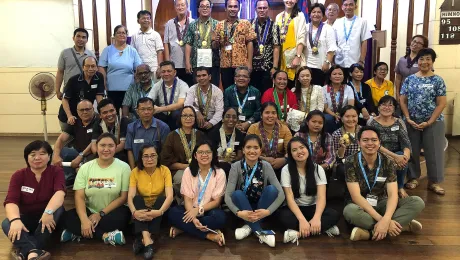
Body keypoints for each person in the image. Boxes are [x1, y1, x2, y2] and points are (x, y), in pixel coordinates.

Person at [343, 126, 425, 241]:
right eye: (365, 140)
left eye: (374, 140)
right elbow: (356, 196)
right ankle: (401, 226)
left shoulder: (388, 161)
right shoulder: (350, 161)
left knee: (417, 202)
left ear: (379, 142)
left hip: (381, 202)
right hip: (360, 205)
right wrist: (384, 220)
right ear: (359, 142)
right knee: (349, 211)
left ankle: (369, 234)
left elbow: (392, 194)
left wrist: (386, 219)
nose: (370, 143)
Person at [61, 133, 132, 246]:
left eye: (110, 145)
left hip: (111, 212)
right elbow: (79, 196)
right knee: (66, 217)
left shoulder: (124, 167)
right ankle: (106, 236)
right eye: (102, 145)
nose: (106, 149)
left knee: (122, 219)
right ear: (96, 147)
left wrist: (100, 214)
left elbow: (123, 198)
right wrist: (84, 220)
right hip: (90, 210)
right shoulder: (85, 168)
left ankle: (78, 232)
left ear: (116, 147)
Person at [3, 141, 65, 260]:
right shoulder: (19, 175)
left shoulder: (56, 172)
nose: (37, 157)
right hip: (27, 217)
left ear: (49, 156)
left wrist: (48, 212)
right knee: (7, 223)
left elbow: (60, 193)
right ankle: (34, 252)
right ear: (27, 158)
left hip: (49, 218)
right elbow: (11, 201)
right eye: (32, 154)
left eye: (42, 153)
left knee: (58, 210)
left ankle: (24, 250)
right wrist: (15, 220)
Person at [400, 48, 447, 195]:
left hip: (434, 122)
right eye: (421, 59)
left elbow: (441, 103)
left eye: (428, 59)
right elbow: (403, 100)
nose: (424, 62)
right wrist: (407, 118)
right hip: (412, 122)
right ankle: (413, 178)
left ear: (432, 61)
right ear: (417, 61)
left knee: (434, 152)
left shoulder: (438, 80)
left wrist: (430, 121)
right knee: (412, 151)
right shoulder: (409, 79)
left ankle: (434, 182)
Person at [225, 135, 285, 247]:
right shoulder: (235, 166)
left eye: (256, 148)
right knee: (236, 194)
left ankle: (248, 226)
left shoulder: (266, 166)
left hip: (262, 206)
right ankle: (260, 232)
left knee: (272, 190)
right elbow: (227, 195)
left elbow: (281, 193)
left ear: (260, 150)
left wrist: (268, 212)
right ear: (243, 150)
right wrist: (239, 212)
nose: (252, 151)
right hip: (243, 206)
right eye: (248, 147)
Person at [279, 137, 340, 245]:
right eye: (294, 150)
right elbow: (289, 198)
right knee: (282, 216)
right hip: (296, 209)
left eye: (302, 147)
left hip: (313, 208)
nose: (299, 151)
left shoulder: (318, 169)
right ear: (290, 154)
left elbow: (321, 197)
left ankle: (297, 233)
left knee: (333, 214)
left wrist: (316, 218)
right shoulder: (286, 169)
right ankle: (320, 229)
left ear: (308, 149)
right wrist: (302, 220)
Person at [168, 140, 227, 246]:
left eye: (208, 152)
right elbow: (187, 199)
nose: (204, 155)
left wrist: (198, 210)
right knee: (173, 213)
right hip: (190, 209)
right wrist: (193, 217)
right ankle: (209, 235)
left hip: (209, 210)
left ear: (213, 155)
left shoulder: (220, 173)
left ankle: (183, 229)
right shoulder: (188, 171)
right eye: (200, 152)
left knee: (221, 218)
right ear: (195, 155)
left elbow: (217, 202)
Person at [128, 144, 173, 260]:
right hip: (141, 207)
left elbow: (170, 196)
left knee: (161, 199)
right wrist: (134, 212)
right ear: (141, 158)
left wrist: (160, 212)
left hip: (158, 207)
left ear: (158, 157)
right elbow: (130, 196)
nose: (149, 159)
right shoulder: (135, 172)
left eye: (153, 155)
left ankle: (141, 238)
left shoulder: (164, 170)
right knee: (136, 199)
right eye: (146, 156)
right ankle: (148, 240)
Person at [161, 106, 208, 202]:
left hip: (200, 168)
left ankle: (201, 203)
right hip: (179, 170)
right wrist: (187, 166)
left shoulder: (200, 135)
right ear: (180, 118)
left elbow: (207, 154)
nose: (188, 118)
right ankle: (185, 203)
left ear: (195, 118)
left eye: (191, 115)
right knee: (183, 179)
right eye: (185, 115)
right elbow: (165, 161)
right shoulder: (172, 136)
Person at [368, 96, 411, 198]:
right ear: (378, 107)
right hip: (378, 153)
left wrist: (405, 156)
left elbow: (406, 142)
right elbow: (375, 144)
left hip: (397, 153)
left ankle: (400, 187)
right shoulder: (372, 122)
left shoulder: (399, 122)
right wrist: (395, 157)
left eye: (390, 105)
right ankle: (383, 189)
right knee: (396, 157)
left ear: (394, 108)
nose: (386, 108)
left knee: (402, 157)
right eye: (383, 105)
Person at [52, 99, 98, 186]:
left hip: (92, 155)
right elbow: (61, 139)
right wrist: (56, 155)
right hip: (77, 152)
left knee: (87, 175)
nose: (84, 112)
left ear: (93, 109)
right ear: (77, 111)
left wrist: (80, 156)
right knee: (60, 152)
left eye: (87, 109)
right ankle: (70, 177)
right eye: (81, 110)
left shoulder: (98, 121)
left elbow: (94, 142)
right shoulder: (75, 122)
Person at [213, 0, 257, 89]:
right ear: (225, 8)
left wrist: (249, 63)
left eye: (235, 6)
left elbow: (250, 43)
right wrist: (216, 42)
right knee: (228, 90)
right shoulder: (220, 25)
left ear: (239, 8)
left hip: (242, 64)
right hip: (225, 64)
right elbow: (215, 46)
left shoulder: (245, 24)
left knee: (242, 90)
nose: (232, 9)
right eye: (230, 6)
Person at [99, 25, 142, 112]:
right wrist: (104, 84)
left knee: (128, 114)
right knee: (112, 112)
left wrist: (138, 84)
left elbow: (139, 68)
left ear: (127, 35)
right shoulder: (107, 50)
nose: (122, 35)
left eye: (124, 33)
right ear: (114, 35)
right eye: (119, 33)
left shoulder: (132, 50)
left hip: (129, 89)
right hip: (111, 88)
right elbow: (101, 68)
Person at [57, 56, 104, 130]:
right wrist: (69, 116)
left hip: (85, 116)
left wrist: (102, 111)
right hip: (69, 115)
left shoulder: (99, 77)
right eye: (87, 66)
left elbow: (99, 96)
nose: (90, 69)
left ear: (96, 67)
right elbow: (65, 99)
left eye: (93, 66)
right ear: (83, 67)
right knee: (68, 139)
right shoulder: (73, 80)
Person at [247, 102, 293, 176]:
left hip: (280, 165)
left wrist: (284, 160)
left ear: (277, 115)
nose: (270, 116)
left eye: (273, 113)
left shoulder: (284, 129)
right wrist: (264, 159)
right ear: (261, 115)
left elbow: (291, 150)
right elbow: (248, 150)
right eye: (267, 113)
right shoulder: (253, 128)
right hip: (258, 162)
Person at [125, 97, 170, 169]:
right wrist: (133, 170)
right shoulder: (131, 128)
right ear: (137, 111)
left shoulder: (163, 127)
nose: (146, 112)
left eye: (149, 109)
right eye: (142, 109)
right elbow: (129, 150)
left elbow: (165, 152)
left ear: (153, 110)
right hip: (138, 167)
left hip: (157, 168)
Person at [184, 0, 220, 86]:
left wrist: (215, 41)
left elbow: (218, 47)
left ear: (211, 9)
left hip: (213, 63)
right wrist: (187, 62)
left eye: (207, 6)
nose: (205, 8)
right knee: (197, 89)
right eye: (202, 6)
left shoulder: (217, 25)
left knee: (213, 87)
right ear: (198, 9)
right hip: (196, 63)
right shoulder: (192, 25)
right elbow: (188, 43)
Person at [333, 0, 373, 75]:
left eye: (351, 5)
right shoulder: (337, 22)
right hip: (339, 61)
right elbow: (334, 42)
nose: (348, 7)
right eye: (345, 5)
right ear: (342, 7)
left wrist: (361, 61)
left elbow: (364, 42)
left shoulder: (362, 22)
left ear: (356, 6)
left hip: (355, 61)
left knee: (354, 85)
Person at [55, 28, 95, 101]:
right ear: (73, 38)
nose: (81, 39)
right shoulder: (65, 53)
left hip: (86, 90)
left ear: (87, 40)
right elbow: (60, 72)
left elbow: (95, 73)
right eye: (78, 36)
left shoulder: (91, 55)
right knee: (67, 111)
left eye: (83, 37)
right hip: (69, 90)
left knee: (86, 111)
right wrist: (57, 91)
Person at [250, 0, 280, 94]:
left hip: (268, 67)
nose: (262, 10)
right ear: (255, 9)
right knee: (253, 93)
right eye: (259, 8)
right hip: (252, 67)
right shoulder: (249, 25)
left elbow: (276, 47)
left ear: (268, 9)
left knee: (266, 93)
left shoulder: (274, 25)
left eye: (264, 8)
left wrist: (274, 67)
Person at [148, 61, 189, 130]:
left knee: (176, 113)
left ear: (175, 72)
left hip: (176, 115)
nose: (166, 74)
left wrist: (159, 109)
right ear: (160, 73)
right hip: (162, 114)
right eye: (163, 71)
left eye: (169, 71)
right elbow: (149, 100)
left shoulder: (182, 85)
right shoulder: (157, 85)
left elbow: (181, 104)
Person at [275, 0, 307, 88]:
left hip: (293, 57)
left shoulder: (300, 15)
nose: (289, 1)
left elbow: (301, 37)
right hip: (281, 57)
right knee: (280, 85)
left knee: (292, 86)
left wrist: (298, 56)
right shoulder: (278, 16)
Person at [163, 0, 195, 86]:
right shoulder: (169, 23)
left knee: (189, 89)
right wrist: (167, 63)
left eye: (182, 5)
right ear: (175, 7)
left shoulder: (193, 23)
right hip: (174, 63)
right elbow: (166, 43)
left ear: (187, 6)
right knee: (175, 89)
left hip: (189, 64)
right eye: (178, 5)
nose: (180, 7)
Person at [184, 67, 224, 132]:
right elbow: (187, 104)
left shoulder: (217, 91)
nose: (201, 78)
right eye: (199, 76)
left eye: (204, 75)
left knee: (216, 129)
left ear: (209, 77)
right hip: (196, 119)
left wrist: (211, 123)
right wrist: (197, 112)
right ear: (196, 78)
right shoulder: (192, 89)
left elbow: (219, 111)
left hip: (212, 119)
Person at [305, 3, 336, 86]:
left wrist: (327, 62)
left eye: (319, 12)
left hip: (321, 66)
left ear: (323, 15)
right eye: (313, 12)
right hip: (306, 66)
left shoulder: (328, 28)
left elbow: (332, 47)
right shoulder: (305, 27)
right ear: (310, 14)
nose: (316, 14)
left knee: (318, 91)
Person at [223, 66, 261, 132]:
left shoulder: (255, 92)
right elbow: (225, 109)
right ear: (235, 78)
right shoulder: (228, 91)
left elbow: (259, 111)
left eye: (244, 76)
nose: (241, 78)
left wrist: (248, 122)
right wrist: (234, 123)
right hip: (232, 122)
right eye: (238, 76)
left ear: (249, 79)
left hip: (251, 124)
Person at [91, 98, 130, 162]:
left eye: (111, 110)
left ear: (116, 110)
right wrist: (101, 155)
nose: (109, 114)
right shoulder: (97, 123)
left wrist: (107, 153)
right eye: (105, 112)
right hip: (102, 154)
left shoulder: (124, 121)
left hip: (120, 154)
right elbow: (94, 144)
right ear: (100, 115)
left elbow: (123, 144)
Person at [209, 107, 245, 175]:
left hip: (233, 167)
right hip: (216, 166)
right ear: (222, 119)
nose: (231, 119)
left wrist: (235, 158)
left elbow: (240, 155)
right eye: (227, 116)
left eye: (234, 117)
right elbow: (209, 154)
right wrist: (221, 156)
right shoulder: (213, 133)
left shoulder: (240, 135)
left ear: (237, 120)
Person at [131, 10, 164, 83]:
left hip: (153, 69)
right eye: (143, 18)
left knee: (154, 92)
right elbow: (133, 53)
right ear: (138, 21)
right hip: (140, 70)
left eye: (148, 18)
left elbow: (159, 52)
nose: (146, 20)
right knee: (141, 92)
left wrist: (159, 67)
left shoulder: (155, 35)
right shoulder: (134, 36)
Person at [394, 35, 428, 101]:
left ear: (423, 46)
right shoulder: (402, 60)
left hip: (419, 95)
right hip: (403, 95)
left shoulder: (424, 61)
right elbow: (398, 78)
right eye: (414, 41)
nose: (415, 44)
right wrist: (397, 94)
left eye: (419, 43)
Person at [323, 65, 355, 133]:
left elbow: (350, 106)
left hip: (344, 113)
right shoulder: (324, 89)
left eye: (340, 74)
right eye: (334, 74)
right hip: (330, 114)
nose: (337, 76)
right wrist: (334, 115)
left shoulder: (348, 88)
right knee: (328, 119)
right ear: (330, 77)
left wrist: (342, 115)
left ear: (343, 77)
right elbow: (325, 108)